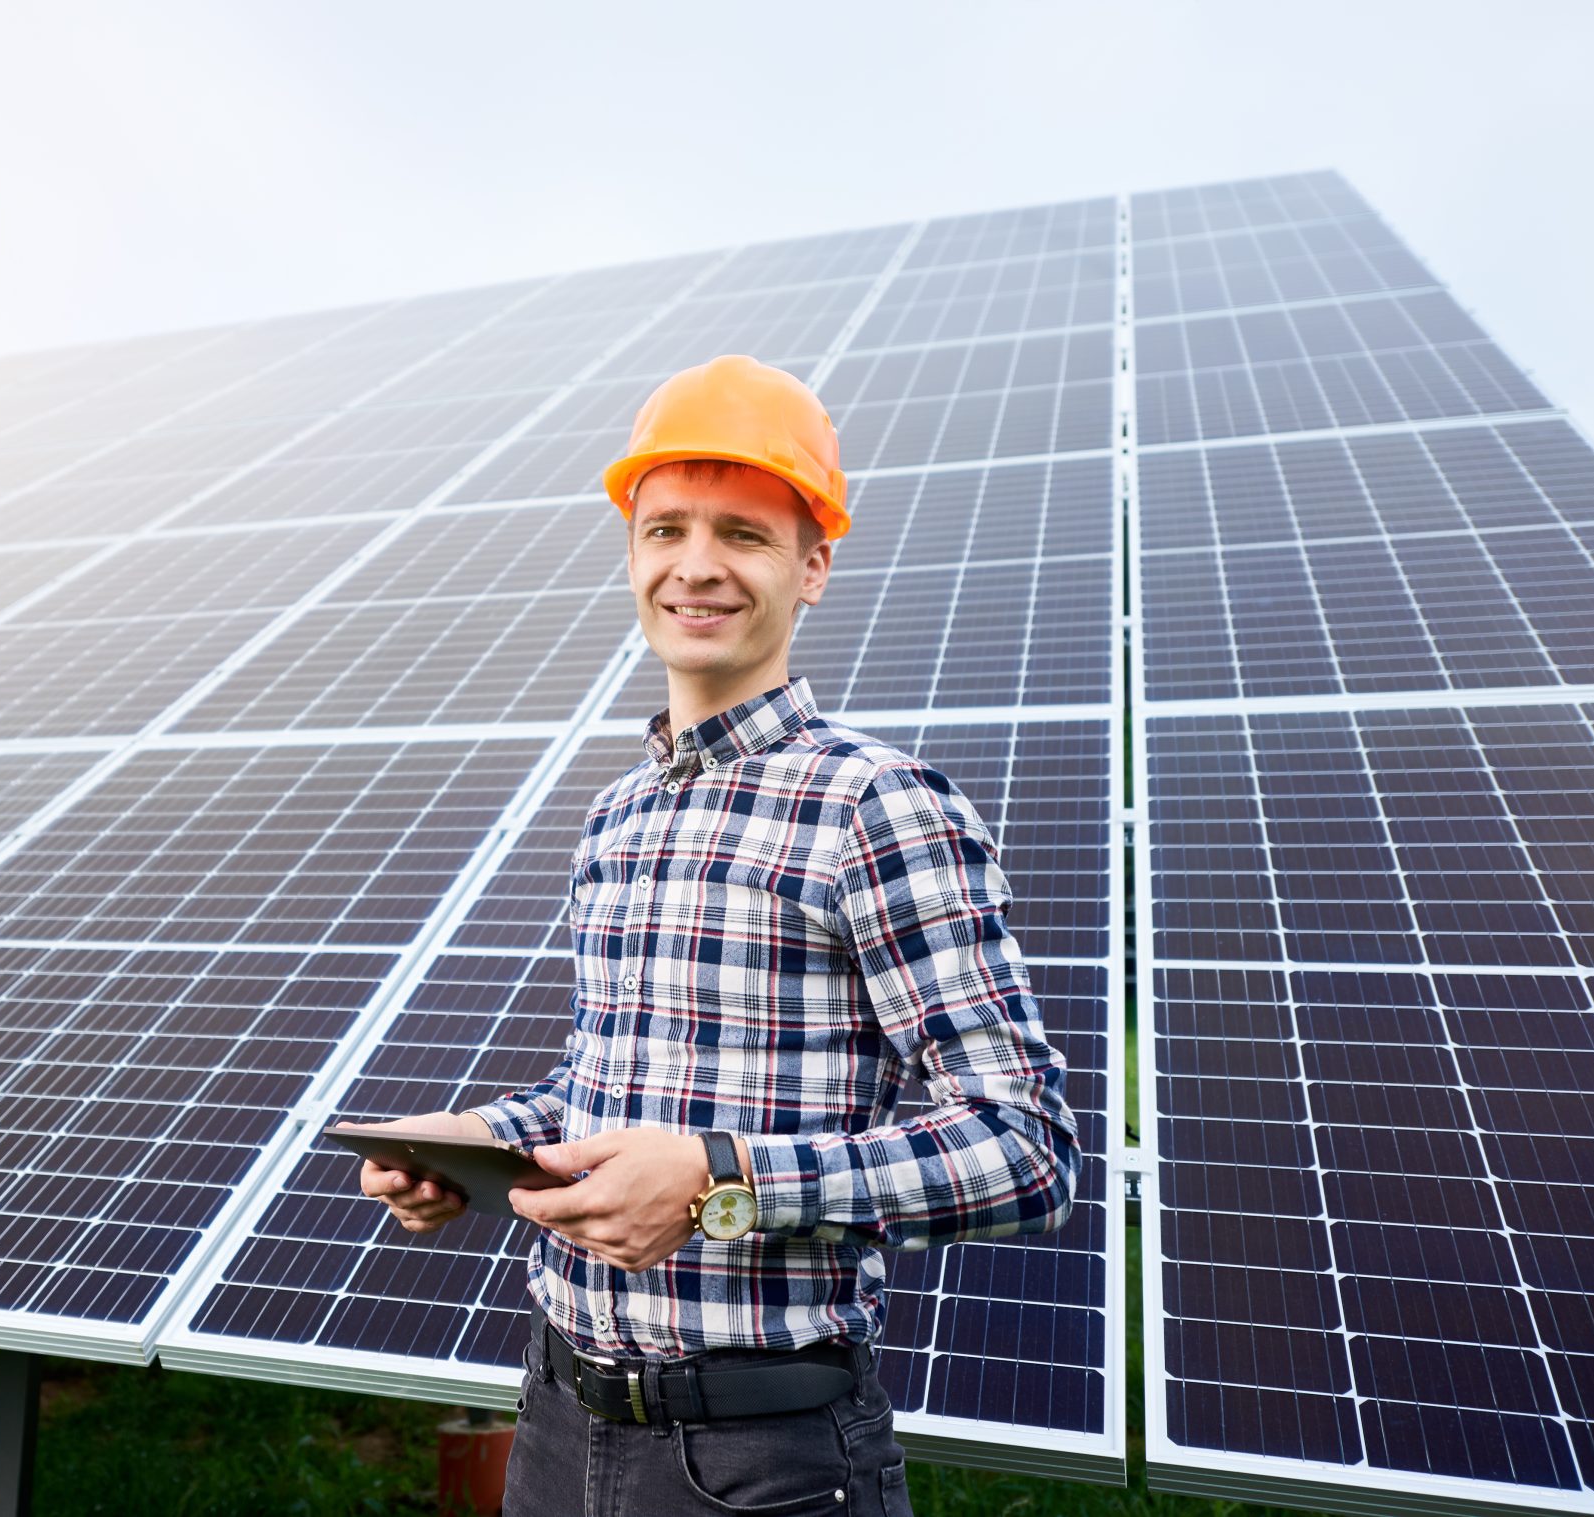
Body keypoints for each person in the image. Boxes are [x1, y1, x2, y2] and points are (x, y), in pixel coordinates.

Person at [343, 354, 1077, 1517]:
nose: (695, 564)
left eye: (742, 532)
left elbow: (1024, 1149)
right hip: (555, 1418)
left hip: (760, 1457)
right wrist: (475, 1138)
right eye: (665, 527)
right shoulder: (616, 815)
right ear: (632, 555)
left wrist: (718, 1181)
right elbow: (605, 1091)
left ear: (813, 566)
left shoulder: (875, 803)